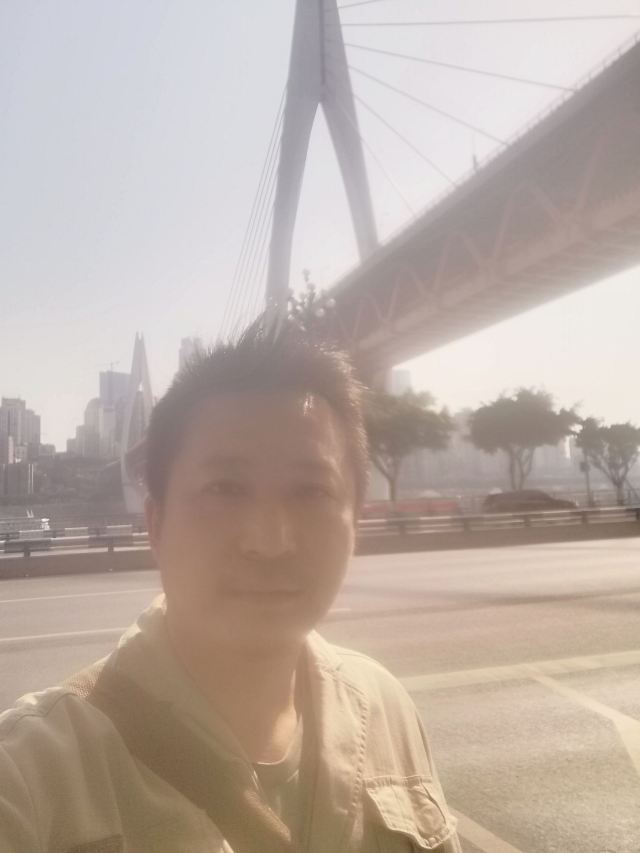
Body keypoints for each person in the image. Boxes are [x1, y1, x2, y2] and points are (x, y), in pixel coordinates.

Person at [0, 322, 461, 852]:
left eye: (311, 491)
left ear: (356, 522)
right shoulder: (32, 776)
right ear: (156, 525)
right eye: (224, 488)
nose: (270, 541)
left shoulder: (386, 709)